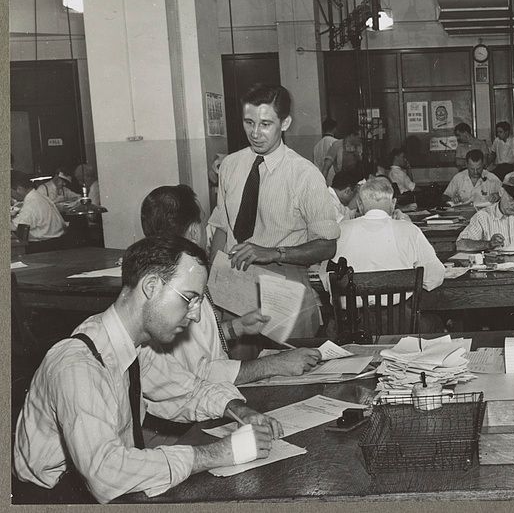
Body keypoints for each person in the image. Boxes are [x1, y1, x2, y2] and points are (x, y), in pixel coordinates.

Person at [13, 234, 283, 503]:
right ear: (151, 286)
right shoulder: (78, 365)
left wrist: (238, 409)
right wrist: (221, 452)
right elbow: (106, 474)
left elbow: (183, 391)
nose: (196, 315)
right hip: (51, 499)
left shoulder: (134, 346)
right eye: (189, 299)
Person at [140, 185, 321, 385]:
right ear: (193, 232)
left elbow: (197, 344)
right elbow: (203, 374)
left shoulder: (163, 274)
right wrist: (277, 364)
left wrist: (237, 327)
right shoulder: (181, 288)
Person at [208, 84, 340, 341]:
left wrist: (273, 253)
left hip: (284, 285)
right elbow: (222, 229)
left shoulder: (305, 174)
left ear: (285, 122)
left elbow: (327, 246)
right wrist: (213, 284)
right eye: (249, 122)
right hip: (234, 283)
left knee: (287, 370)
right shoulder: (230, 166)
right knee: (237, 371)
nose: (255, 133)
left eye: (266, 124)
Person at [333, 178, 445, 290]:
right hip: (398, 306)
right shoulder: (409, 229)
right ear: (393, 203)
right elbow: (434, 277)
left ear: (359, 204)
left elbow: (327, 278)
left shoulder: (341, 229)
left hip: (351, 306)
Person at [11, 170, 66, 245]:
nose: (10, 195)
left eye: (10, 192)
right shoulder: (37, 195)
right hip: (57, 240)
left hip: (45, 246)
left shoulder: (31, 202)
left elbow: (15, 227)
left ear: (19, 189)